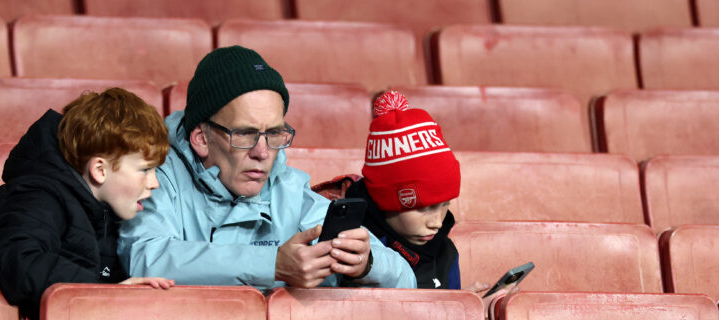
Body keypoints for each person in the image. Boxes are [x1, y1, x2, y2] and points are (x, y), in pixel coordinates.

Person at [117, 46, 415, 289]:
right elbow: (146, 258)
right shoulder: (155, 176)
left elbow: (405, 279)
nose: (263, 153)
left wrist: (365, 264)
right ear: (201, 138)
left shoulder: (289, 189)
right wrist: (272, 265)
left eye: (273, 134)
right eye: (245, 134)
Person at [0, 87, 174, 320]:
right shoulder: (36, 197)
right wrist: (106, 293)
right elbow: (24, 265)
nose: (154, 183)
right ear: (100, 170)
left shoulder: (101, 211)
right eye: (144, 170)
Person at [342, 90, 463, 290]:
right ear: (384, 200)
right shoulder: (350, 245)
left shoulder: (446, 254)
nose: (437, 223)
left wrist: (468, 310)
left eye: (445, 205)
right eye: (424, 208)